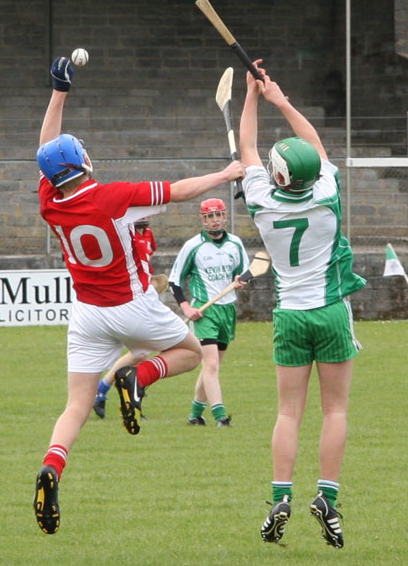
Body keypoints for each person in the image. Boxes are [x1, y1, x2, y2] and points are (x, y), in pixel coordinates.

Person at [33, 56, 245, 535]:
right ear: (80, 163)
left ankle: (52, 467)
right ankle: (138, 378)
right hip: (132, 306)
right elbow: (180, 190)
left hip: (86, 314)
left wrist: (58, 92)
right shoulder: (114, 196)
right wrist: (225, 174)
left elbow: (46, 149)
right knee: (191, 353)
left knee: (76, 406)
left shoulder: (50, 201)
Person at [239, 60, 366, 549]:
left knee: (288, 412)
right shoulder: (328, 192)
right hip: (331, 310)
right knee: (335, 410)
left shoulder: (261, 201)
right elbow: (316, 146)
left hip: (289, 315)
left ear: (277, 174)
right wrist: (280, 99)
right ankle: (327, 499)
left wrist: (252, 95)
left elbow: (247, 147)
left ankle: (280, 496)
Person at [168, 198, 249, 428]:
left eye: (218, 215)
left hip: (227, 310)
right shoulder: (193, 246)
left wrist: (241, 281)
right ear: (202, 219)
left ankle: (195, 415)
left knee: (213, 366)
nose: (214, 221)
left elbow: (244, 273)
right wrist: (186, 307)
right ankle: (221, 416)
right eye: (209, 216)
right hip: (205, 312)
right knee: (210, 364)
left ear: (225, 216)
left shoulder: (235, 243)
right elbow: (175, 280)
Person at [92, 217, 158, 419]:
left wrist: (151, 281)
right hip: (128, 300)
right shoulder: (124, 236)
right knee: (141, 352)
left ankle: (105, 391)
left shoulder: (147, 235)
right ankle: (109, 390)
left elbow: (149, 256)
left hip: (145, 297)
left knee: (140, 353)